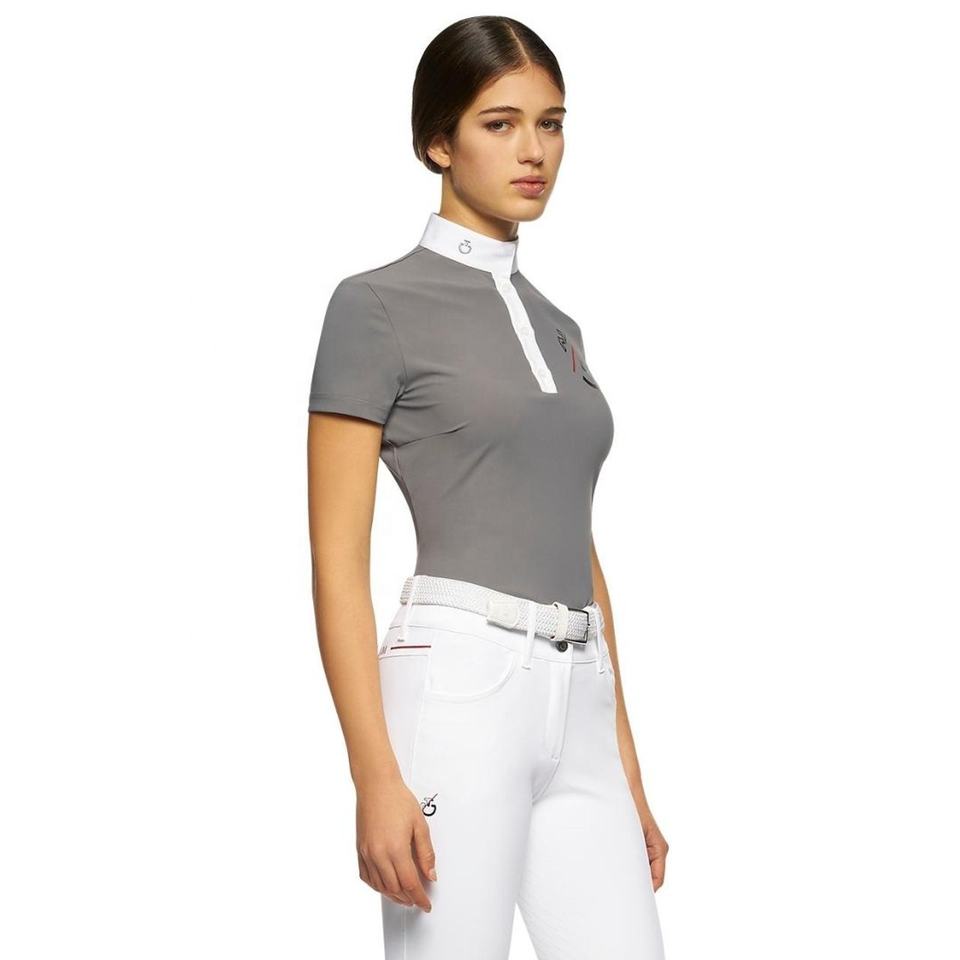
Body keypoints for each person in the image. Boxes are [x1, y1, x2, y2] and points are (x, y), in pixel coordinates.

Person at [307, 16, 668, 960]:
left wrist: (626, 767)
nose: (534, 151)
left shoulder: (559, 325)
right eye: (500, 124)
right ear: (439, 141)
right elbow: (337, 563)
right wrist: (373, 776)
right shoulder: (373, 305)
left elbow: (575, 539)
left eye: (551, 123)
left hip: (580, 692)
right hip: (458, 687)